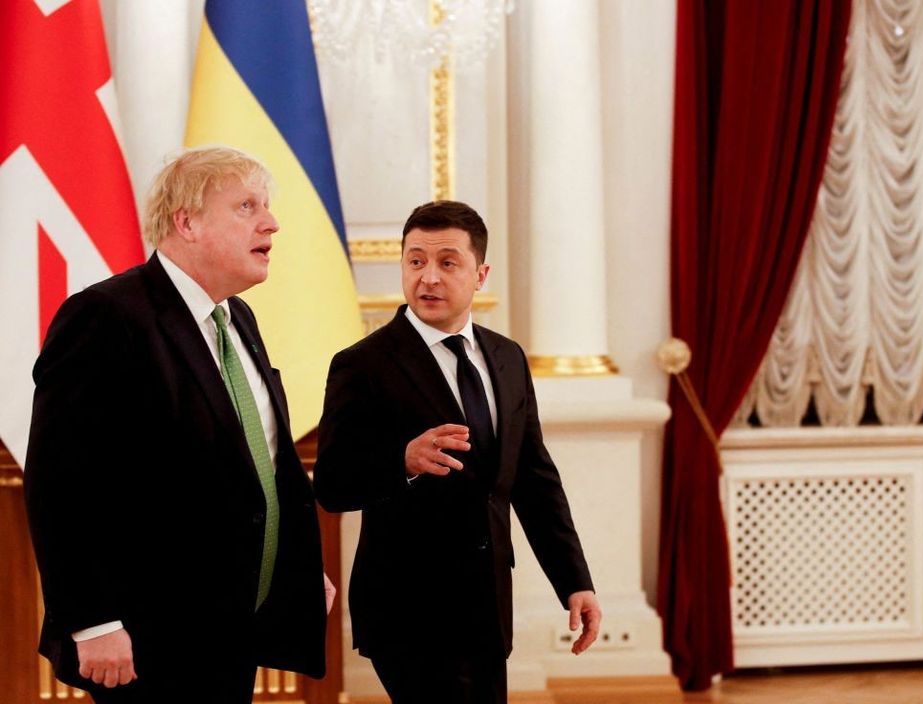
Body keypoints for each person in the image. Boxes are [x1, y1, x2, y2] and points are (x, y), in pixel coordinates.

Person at [24, 146, 333, 703]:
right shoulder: (107, 316)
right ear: (186, 222)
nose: (272, 223)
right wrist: (92, 621)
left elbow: (259, 462)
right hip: (144, 637)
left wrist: (300, 571)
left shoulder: (236, 316)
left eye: (265, 206)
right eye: (246, 206)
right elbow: (59, 483)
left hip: (233, 624)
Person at [315, 200, 601, 703]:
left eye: (447, 262)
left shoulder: (507, 358)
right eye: (415, 261)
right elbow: (333, 484)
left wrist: (574, 581)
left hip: (487, 607)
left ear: (480, 273)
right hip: (406, 609)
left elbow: (534, 480)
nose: (428, 277)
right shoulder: (362, 364)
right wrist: (400, 461)